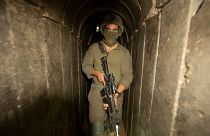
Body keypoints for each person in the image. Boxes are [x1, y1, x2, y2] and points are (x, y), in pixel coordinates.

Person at [82, 14, 133, 136]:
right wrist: (96, 73)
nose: (111, 32)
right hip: (97, 92)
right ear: (103, 30)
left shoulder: (124, 52)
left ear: (119, 32)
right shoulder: (94, 48)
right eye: (108, 29)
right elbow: (86, 65)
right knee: (97, 127)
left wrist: (116, 94)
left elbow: (128, 75)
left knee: (113, 127)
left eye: (114, 30)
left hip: (116, 92)